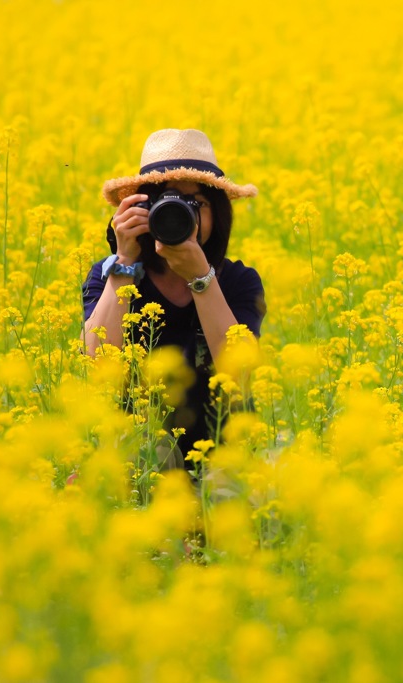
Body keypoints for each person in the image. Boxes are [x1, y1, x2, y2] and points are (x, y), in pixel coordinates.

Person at [81, 128, 265, 470]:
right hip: (138, 452)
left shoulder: (240, 282)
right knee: (151, 455)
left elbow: (238, 370)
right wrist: (123, 264)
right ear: (138, 209)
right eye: (166, 200)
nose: (180, 212)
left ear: (218, 215)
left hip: (225, 451)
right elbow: (97, 366)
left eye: (196, 203)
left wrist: (201, 278)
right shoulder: (108, 277)